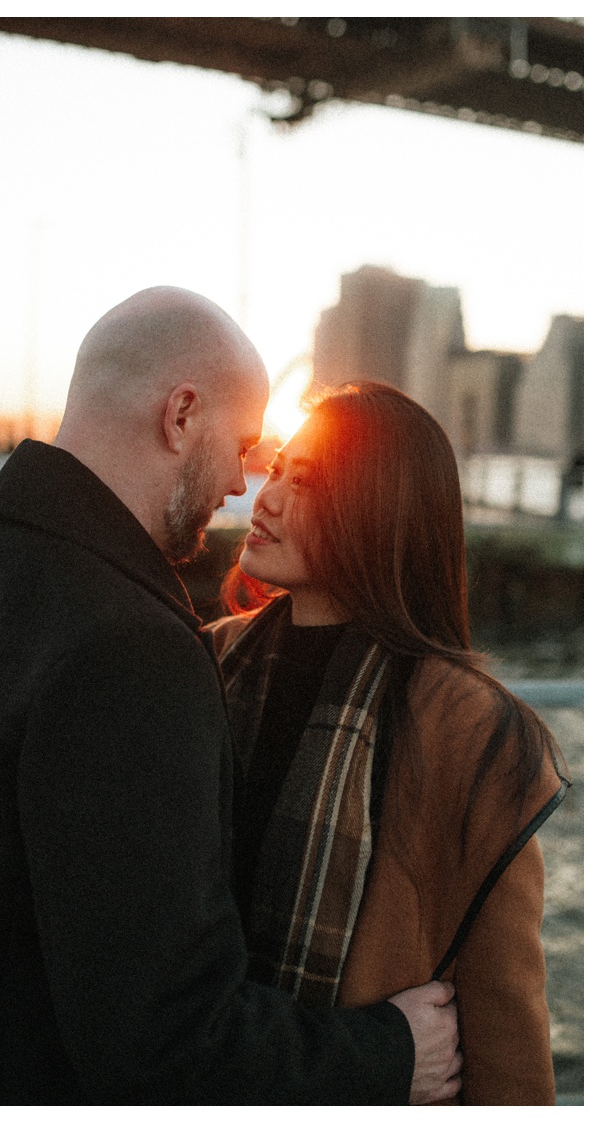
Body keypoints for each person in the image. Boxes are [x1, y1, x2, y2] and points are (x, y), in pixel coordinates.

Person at [0, 287, 463, 1104]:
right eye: (245, 446)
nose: (240, 485)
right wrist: (390, 1053)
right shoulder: (131, 646)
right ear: (181, 416)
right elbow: (168, 1041)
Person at [207, 381, 568, 1105]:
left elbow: (504, 1021)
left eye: (304, 483)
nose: (266, 500)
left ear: (380, 510)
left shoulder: (472, 733)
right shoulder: (205, 665)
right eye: (275, 469)